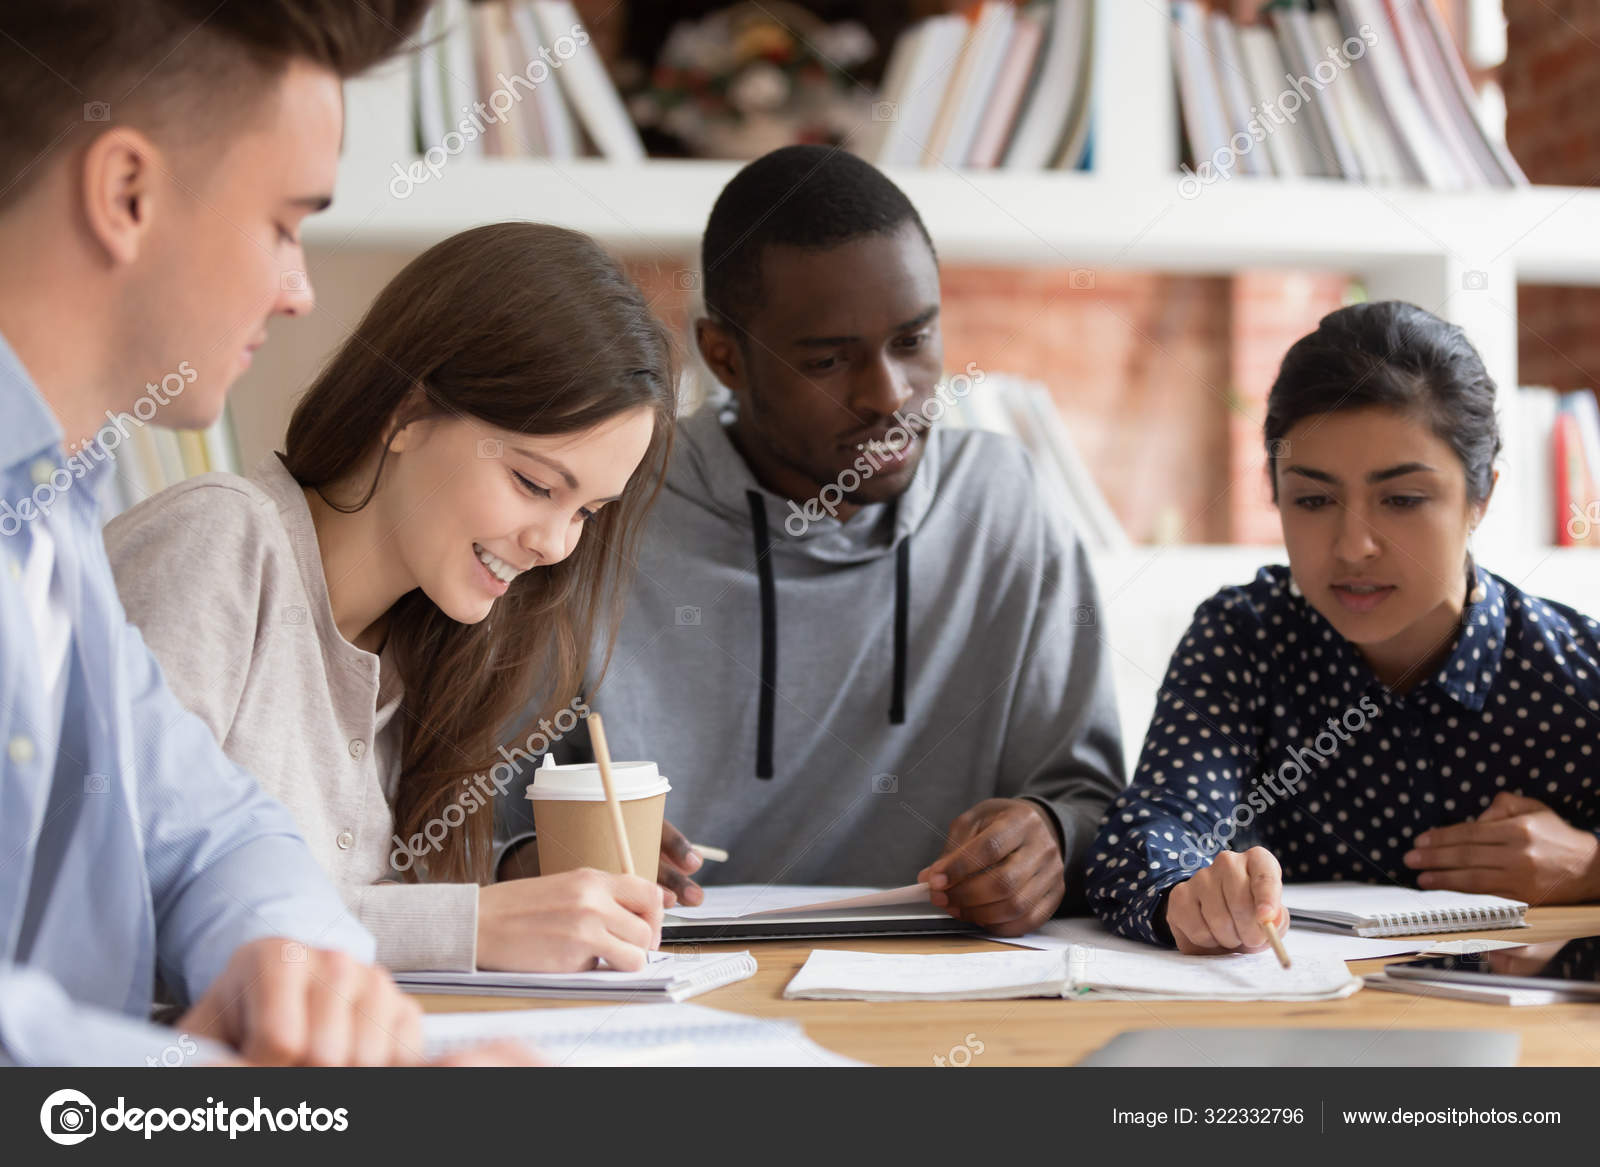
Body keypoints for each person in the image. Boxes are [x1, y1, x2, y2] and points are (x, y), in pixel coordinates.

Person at [0, 0, 527, 1066]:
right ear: (127, 193)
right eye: (285, 224)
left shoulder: (54, 502)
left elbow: (213, 828)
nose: (296, 291)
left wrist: (293, 968)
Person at [500, 146, 1125, 937]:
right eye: (829, 360)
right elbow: (469, 823)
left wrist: (1050, 837)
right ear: (724, 356)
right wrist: (544, 857)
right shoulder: (605, 508)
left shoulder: (1005, 503)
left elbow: (1094, 799)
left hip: (947, 982)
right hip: (660, 975)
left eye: (914, 340)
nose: (889, 395)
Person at [105, 222, 678, 974]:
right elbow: (127, 894)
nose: (556, 544)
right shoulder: (220, 539)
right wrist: (467, 925)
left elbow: (351, 907)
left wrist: (517, 881)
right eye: (536, 485)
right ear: (407, 412)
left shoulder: (430, 643)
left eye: (586, 512)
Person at [1085, 300, 1600, 954]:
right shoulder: (1244, 639)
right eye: (1314, 499)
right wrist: (1186, 892)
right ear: (1275, 495)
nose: (1354, 544)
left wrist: (1589, 866)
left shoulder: (1575, 669)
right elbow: (1148, 830)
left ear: (1481, 498)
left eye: (1402, 499)